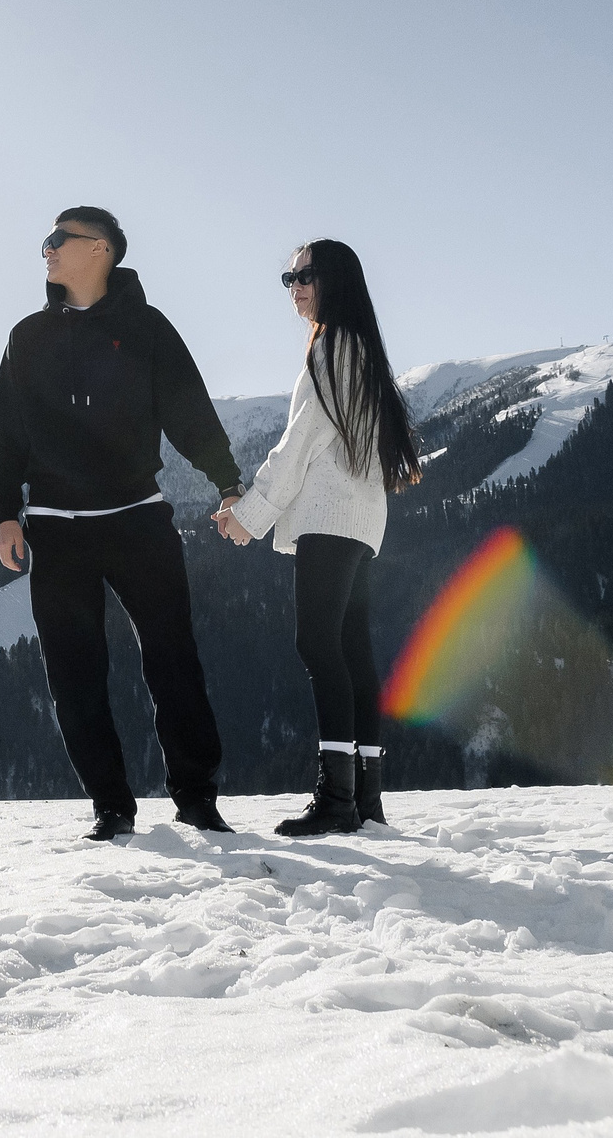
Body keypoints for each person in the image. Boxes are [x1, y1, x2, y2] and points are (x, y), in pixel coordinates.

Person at [0, 207, 247, 842]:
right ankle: (111, 807)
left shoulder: (146, 328)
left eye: (58, 239)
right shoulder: (28, 336)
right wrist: (5, 513)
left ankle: (197, 799)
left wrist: (227, 481)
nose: (46, 250)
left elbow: (190, 411)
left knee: (174, 662)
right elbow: (8, 433)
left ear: (100, 249)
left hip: (138, 519)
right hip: (55, 527)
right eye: (46, 241)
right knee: (74, 676)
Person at [212, 239, 421, 836]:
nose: (295, 287)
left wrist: (250, 515)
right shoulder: (360, 348)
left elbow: (300, 442)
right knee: (351, 651)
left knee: (318, 645)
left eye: (305, 275)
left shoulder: (335, 346)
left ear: (336, 280)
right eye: (289, 277)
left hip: (331, 518)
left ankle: (336, 800)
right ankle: (365, 799)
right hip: (360, 521)